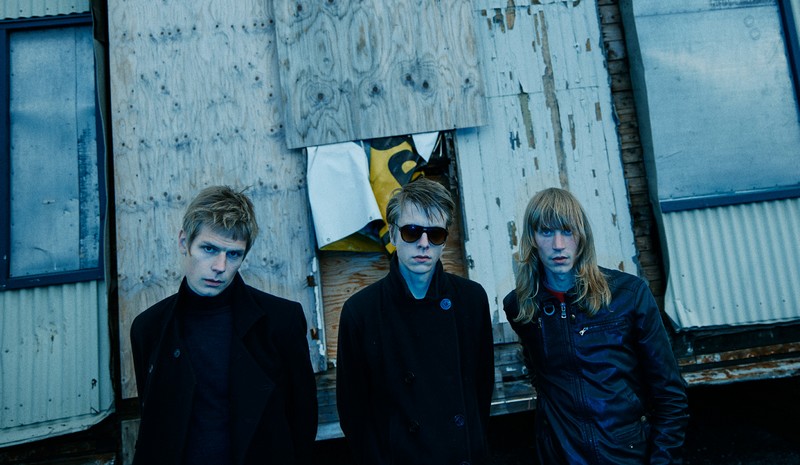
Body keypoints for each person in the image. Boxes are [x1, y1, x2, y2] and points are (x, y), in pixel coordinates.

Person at [130, 185, 318, 465]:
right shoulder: (149, 328)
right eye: (209, 249)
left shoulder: (281, 321)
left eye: (233, 254)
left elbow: (302, 420)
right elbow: (155, 425)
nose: (220, 266)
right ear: (184, 242)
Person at [503, 187, 689, 464]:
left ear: (582, 236)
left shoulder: (629, 295)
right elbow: (539, 375)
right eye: (546, 232)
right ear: (532, 239)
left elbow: (670, 395)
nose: (558, 244)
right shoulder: (520, 306)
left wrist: (662, 460)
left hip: (626, 453)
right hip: (561, 456)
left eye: (567, 231)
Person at [336, 177, 495, 464]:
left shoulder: (470, 300)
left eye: (435, 234)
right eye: (412, 232)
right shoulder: (361, 312)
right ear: (393, 234)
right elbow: (354, 412)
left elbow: (481, 390)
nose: (423, 244)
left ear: (444, 241)